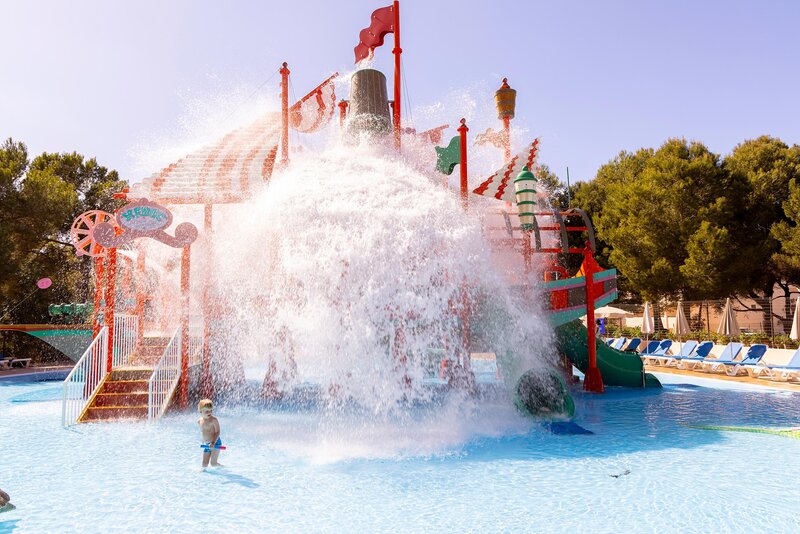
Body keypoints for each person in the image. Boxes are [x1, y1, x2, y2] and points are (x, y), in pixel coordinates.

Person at [197, 399, 222, 468]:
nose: (209, 412)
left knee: (213, 463)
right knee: (204, 464)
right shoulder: (199, 421)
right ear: (200, 411)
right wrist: (203, 439)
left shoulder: (213, 420)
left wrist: (213, 442)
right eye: (207, 411)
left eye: (211, 410)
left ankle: (222, 468)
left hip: (215, 443)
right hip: (207, 444)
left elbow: (217, 431)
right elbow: (203, 431)